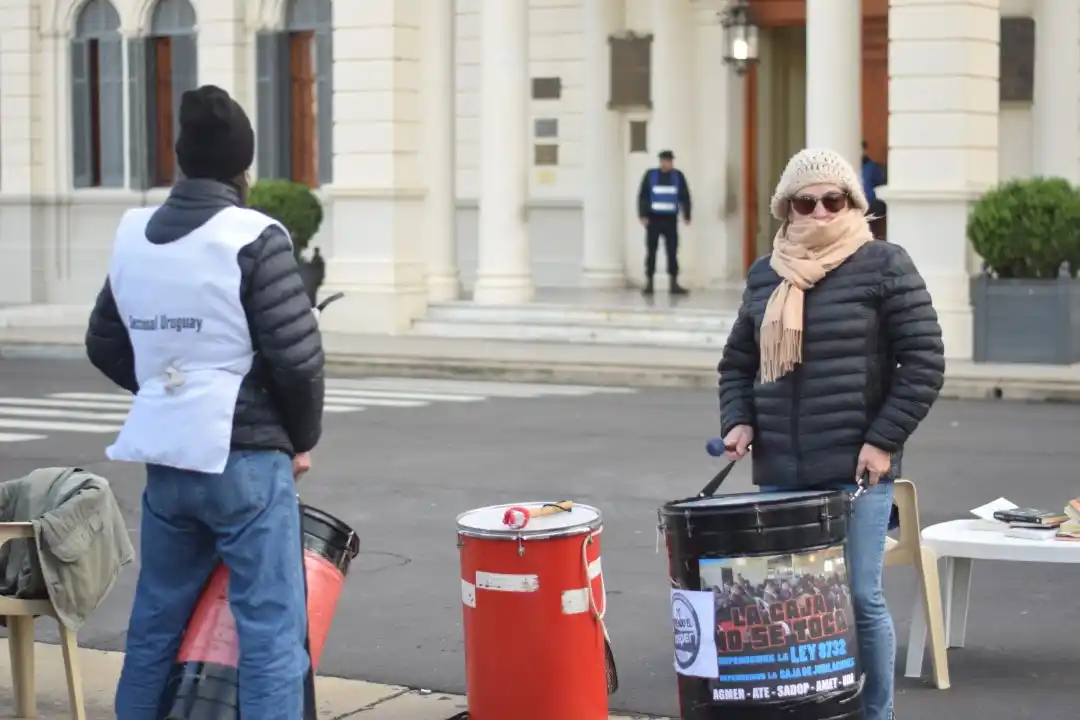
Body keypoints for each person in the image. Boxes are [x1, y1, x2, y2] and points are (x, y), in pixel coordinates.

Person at [84, 84, 325, 720]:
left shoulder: (135, 232)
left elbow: (103, 343)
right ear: (242, 164)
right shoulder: (253, 235)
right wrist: (297, 437)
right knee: (270, 636)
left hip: (167, 461)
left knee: (154, 628)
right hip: (245, 465)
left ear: (182, 159)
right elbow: (297, 360)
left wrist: (167, 389)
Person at [716, 147, 945, 720]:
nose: (819, 211)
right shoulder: (766, 273)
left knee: (859, 597)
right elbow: (737, 364)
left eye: (832, 199)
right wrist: (738, 420)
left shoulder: (884, 263)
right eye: (805, 200)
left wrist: (884, 439)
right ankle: (811, 709)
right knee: (792, 606)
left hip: (857, 470)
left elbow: (924, 361)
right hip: (780, 473)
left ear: (853, 202)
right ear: (786, 208)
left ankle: (876, 714)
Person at [636, 149, 692, 296]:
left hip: (670, 219)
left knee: (672, 251)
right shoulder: (651, 175)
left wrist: (687, 214)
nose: (668, 163)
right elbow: (643, 195)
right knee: (651, 251)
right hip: (654, 219)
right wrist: (642, 215)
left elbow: (685, 196)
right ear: (661, 161)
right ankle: (649, 284)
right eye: (666, 161)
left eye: (670, 161)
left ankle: (674, 284)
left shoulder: (678, 176)